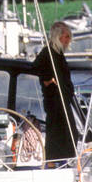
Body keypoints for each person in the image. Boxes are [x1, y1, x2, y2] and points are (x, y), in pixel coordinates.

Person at [30, 21, 78, 164]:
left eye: (69, 37)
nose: (68, 40)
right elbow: (35, 67)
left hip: (63, 98)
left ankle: (63, 160)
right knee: (56, 131)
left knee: (69, 132)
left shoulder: (59, 53)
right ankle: (52, 161)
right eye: (66, 37)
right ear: (58, 37)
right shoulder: (48, 52)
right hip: (54, 99)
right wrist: (47, 80)